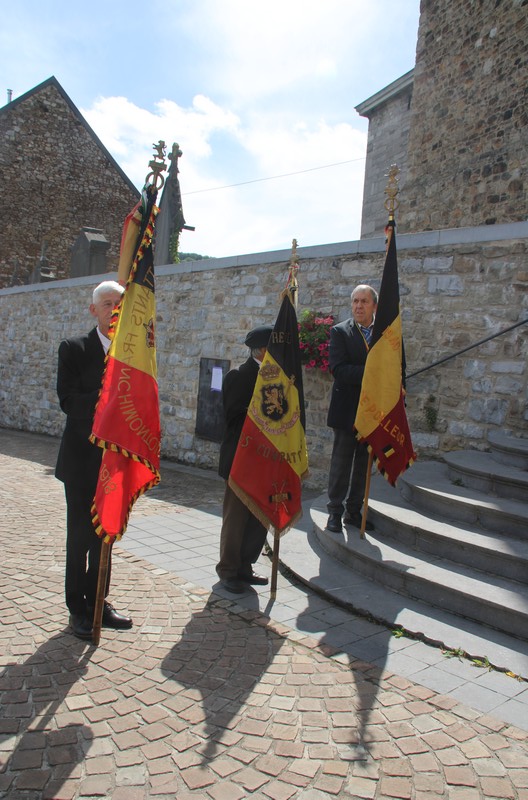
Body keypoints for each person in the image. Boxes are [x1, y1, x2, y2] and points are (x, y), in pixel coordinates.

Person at [55, 280, 133, 639]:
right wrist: (108, 393)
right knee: (80, 538)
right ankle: (77, 608)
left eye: (119, 303)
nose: (114, 309)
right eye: (107, 303)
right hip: (81, 461)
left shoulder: (131, 354)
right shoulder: (73, 348)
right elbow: (69, 401)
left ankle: (99, 601)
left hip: (114, 461)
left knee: (106, 536)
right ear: (93, 310)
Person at [216, 325, 273, 594]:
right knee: (236, 518)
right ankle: (228, 569)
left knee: (259, 517)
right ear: (261, 350)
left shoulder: (278, 378)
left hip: (266, 459)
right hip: (241, 458)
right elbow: (233, 417)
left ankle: (245, 565)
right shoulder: (239, 376)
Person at [326, 284, 378, 534]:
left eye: (364, 301)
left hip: (374, 412)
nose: (358, 306)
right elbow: (338, 369)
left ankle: (354, 511)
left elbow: (397, 369)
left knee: (363, 466)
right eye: (355, 301)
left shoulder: (387, 334)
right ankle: (334, 512)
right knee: (341, 465)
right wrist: (373, 373)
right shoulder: (340, 332)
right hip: (347, 410)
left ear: (374, 306)